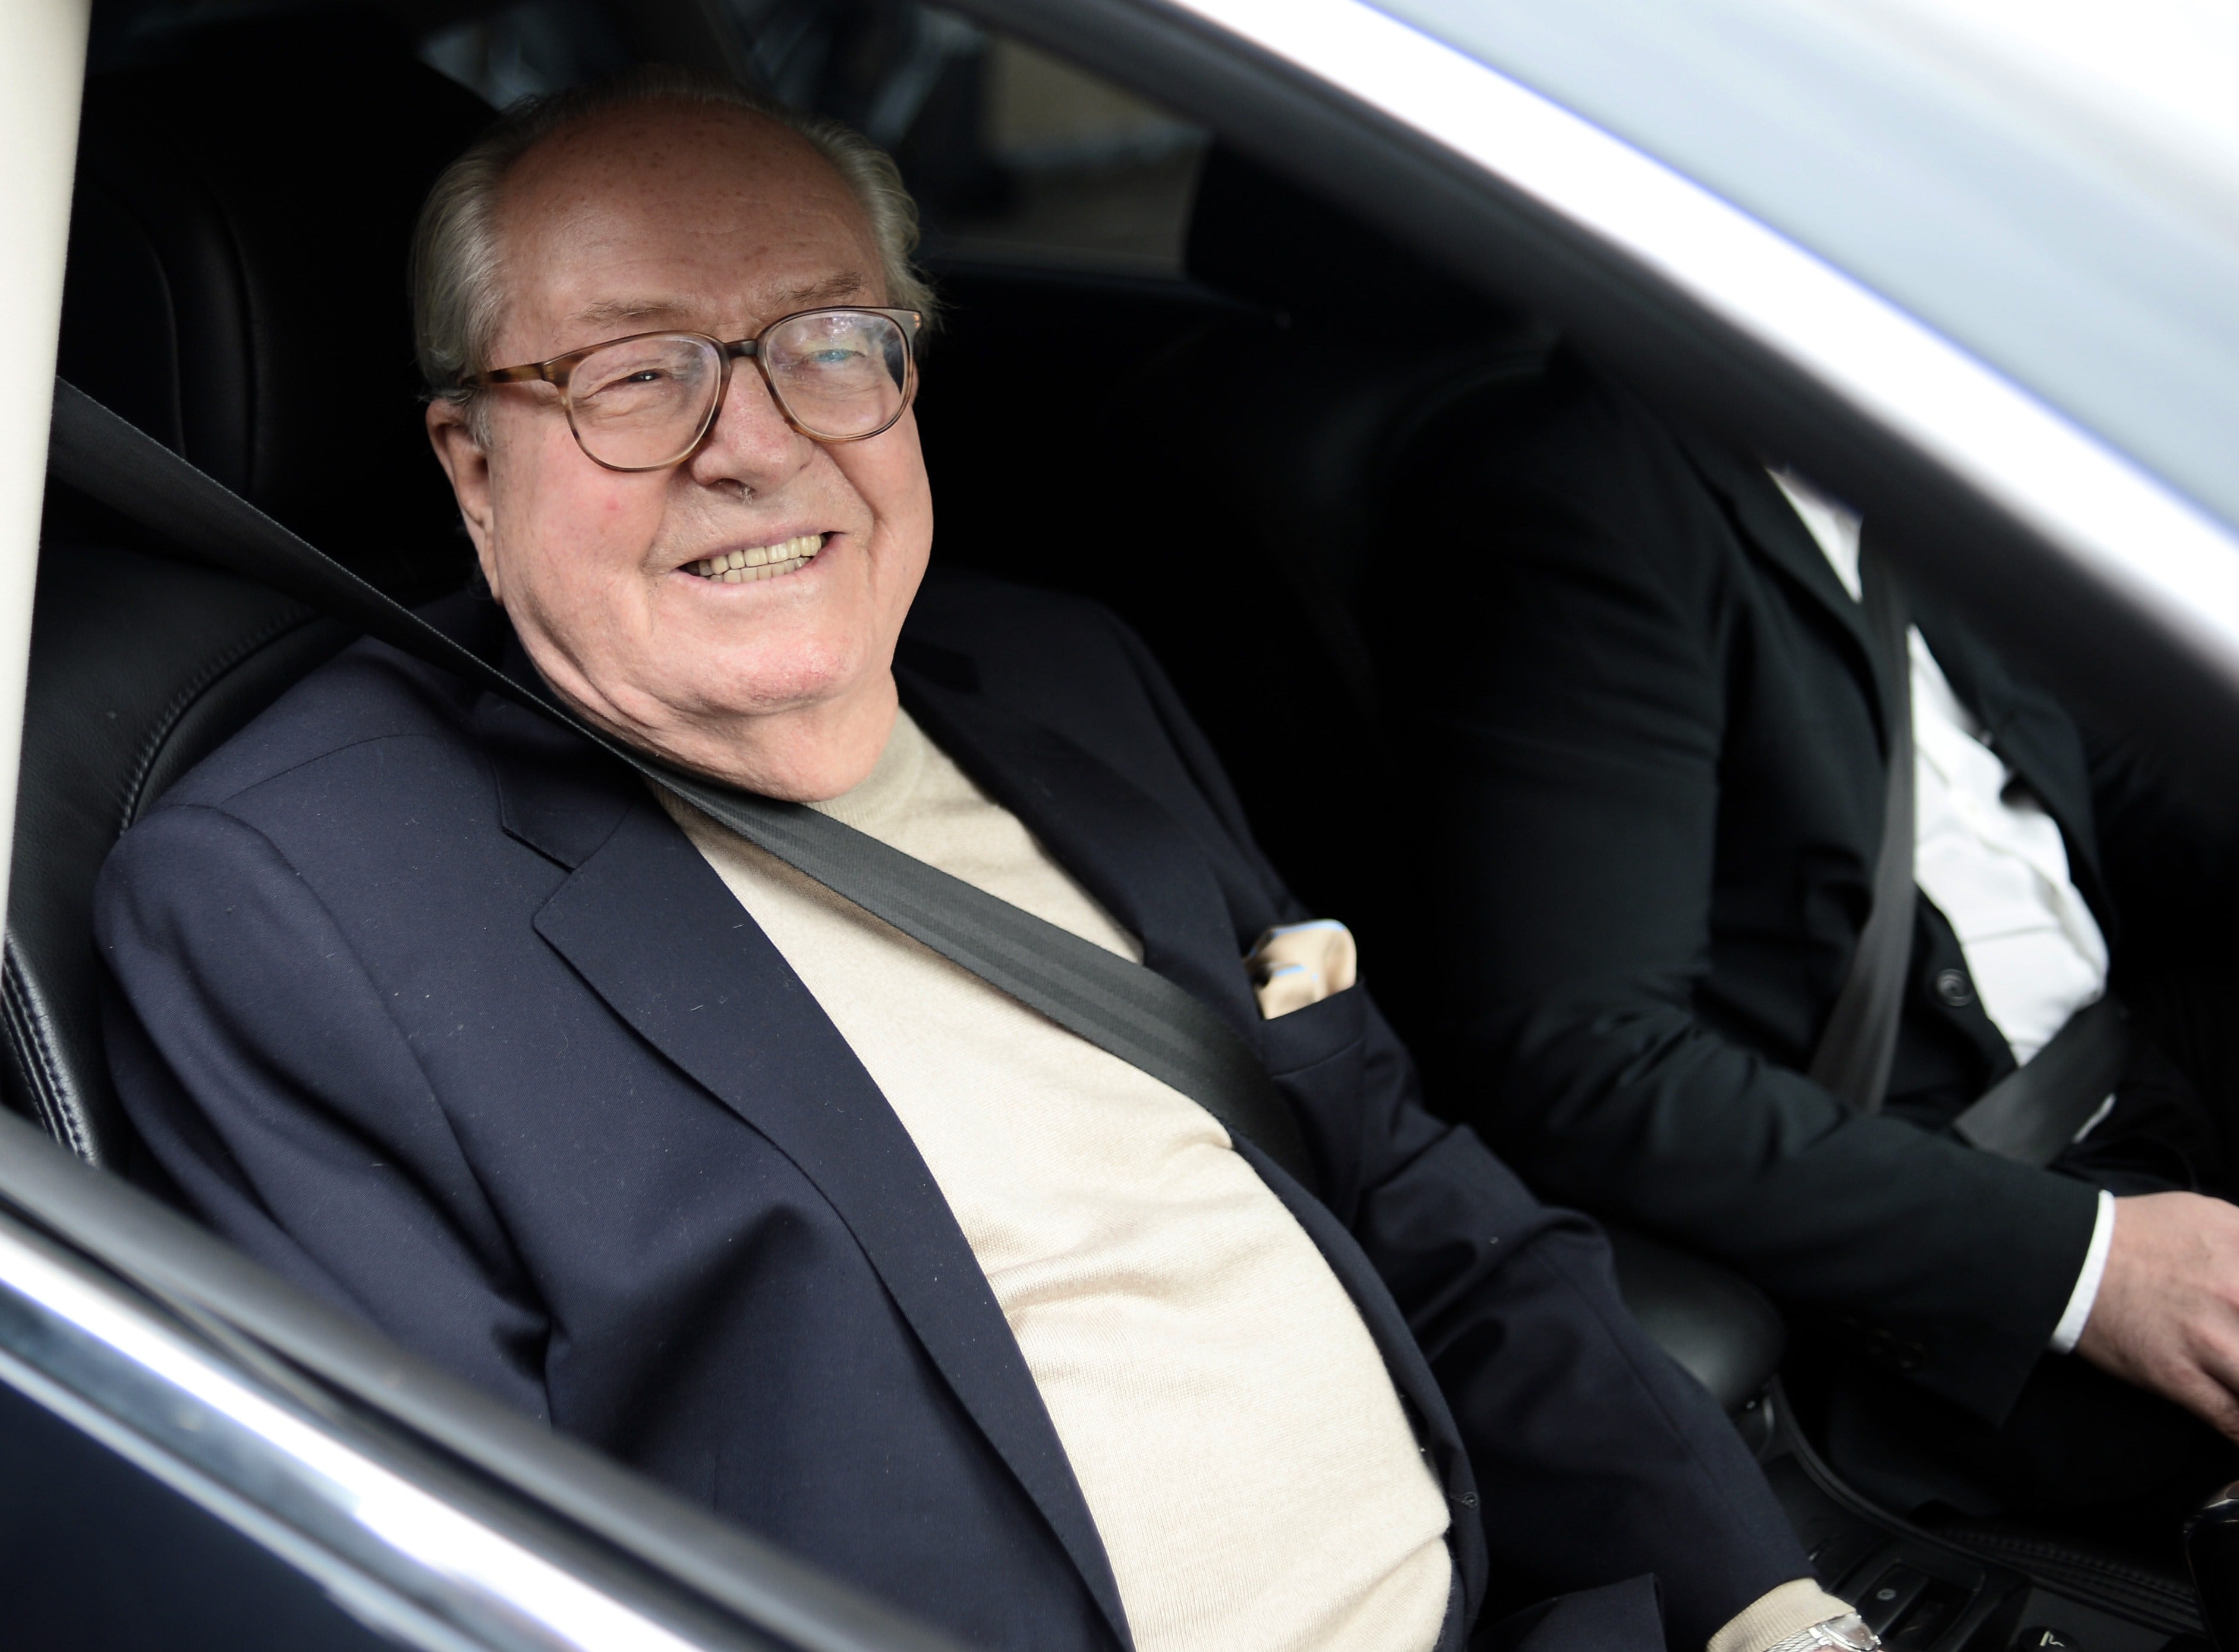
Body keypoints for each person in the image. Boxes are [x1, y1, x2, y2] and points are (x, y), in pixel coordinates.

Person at [97, 71, 1856, 1652]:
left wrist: (1762, 1604)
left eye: (826, 343)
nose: (755, 442)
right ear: (472, 467)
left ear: (907, 383)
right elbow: (467, 1592)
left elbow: (1424, 1205)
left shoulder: (1065, 672)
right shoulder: (292, 905)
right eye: (635, 373)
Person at [1378, 351, 2239, 1522]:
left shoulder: (1881, 452)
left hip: (2126, 1057)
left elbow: (2083, 765)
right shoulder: (1581, 497)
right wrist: (2092, 1265)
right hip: (1955, 1219)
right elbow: (1577, 1056)